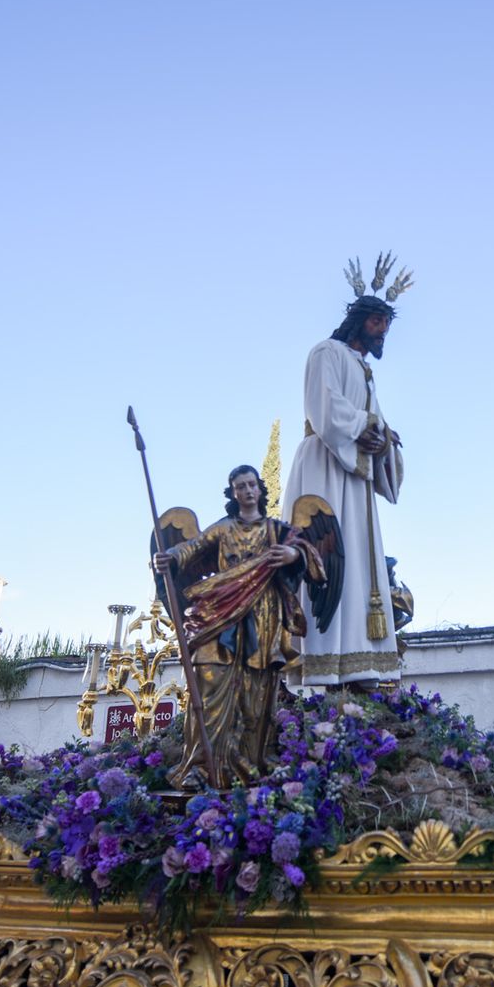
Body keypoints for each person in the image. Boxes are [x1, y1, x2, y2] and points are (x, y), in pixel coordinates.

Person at [153, 465, 332, 787]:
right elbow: (191, 547)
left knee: (255, 695)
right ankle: (199, 767)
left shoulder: (278, 530)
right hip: (219, 617)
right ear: (233, 493)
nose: (247, 490)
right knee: (208, 687)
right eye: (240, 486)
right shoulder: (223, 529)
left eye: (251, 484)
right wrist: (169, 556)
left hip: (262, 619)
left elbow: (309, 554)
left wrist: (293, 554)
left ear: (260, 489)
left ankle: (249, 763)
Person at [283, 255, 411, 688]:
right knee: (328, 556)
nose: (383, 333)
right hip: (325, 464)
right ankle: (323, 661)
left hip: (354, 476)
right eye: (378, 324)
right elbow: (326, 409)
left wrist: (384, 440)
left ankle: (361, 664)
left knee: (359, 563)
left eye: (386, 326)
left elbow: (375, 421)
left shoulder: (366, 371)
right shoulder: (327, 352)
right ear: (360, 321)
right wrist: (365, 430)